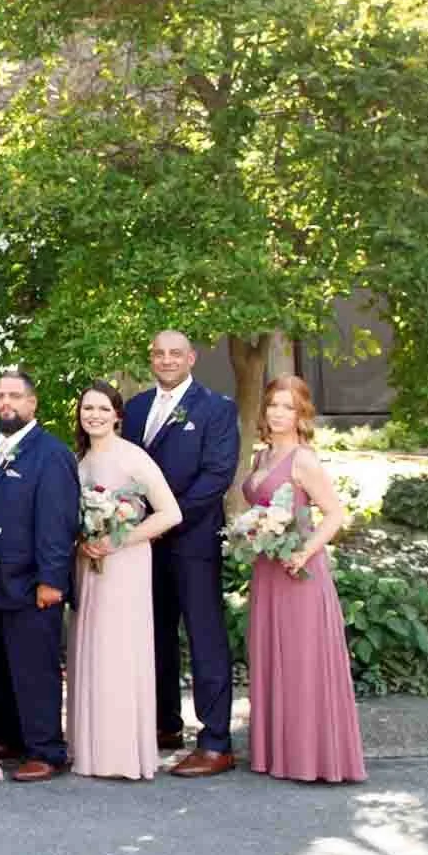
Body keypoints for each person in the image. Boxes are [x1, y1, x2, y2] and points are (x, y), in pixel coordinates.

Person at [121, 331, 242, 774]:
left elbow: (216, 477)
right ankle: (164, 724)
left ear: (191, 358)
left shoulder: (217, 409)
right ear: (150, 358)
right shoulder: (133, 410)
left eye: (176, 353)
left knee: (204, 638)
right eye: (158, 353)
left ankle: (215, 742)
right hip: (143, 545)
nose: (167, 360)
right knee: (154, 636)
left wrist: (165, 522)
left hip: (193, 541)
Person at [241, 376, 367, 784]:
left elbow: (333, 513)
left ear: (301, 414)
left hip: (299, 573)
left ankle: (311, 757)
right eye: (273, 405)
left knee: (301, 660)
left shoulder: (303, 459)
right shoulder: (261, 458)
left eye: (288, 407)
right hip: (267, 570)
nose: (278, 413)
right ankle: (277, 751)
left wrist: (304, 551)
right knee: (270, 655)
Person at [0, 368, 82, 782]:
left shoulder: (50, 453)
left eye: (15, 396)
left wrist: (52, 581)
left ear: (32, 404)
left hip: (33, 584)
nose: (5, 403)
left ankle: (47, 749)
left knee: (35, 668)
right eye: (0, 395)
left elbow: (58, 523)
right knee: (1, 665)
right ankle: (12, 736)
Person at [70, 381, 182, 782]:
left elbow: (170, 514)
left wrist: (117, 541)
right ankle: (91, 748)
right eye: (87, 409)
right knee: (92, 649)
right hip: (89, 565)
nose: (94, 415)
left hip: (125, 565)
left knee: (119, 652)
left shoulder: (134, 457)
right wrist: (84, 539)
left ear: (118, 415)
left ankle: (122, 752)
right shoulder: (78, 459)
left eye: (102, 408)